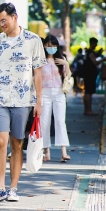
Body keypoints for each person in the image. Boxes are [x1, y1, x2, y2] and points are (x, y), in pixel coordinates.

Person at [0, 2, 46, 203]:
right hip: (0, 97)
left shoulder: (33, 40)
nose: (1, 24)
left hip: (23, 99)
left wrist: (39, 100)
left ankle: (13, 188)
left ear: (14, 17)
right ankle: (0, 187)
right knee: (0, 141)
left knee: (17, 143)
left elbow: (38, 72)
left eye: (4, 20)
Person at [40, 34, 71, 162]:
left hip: (59, 92)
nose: (50, 48)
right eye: (48, 45)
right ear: (44, 46)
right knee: (44, 122)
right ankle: (46, 151)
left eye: (53, 46)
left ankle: (64, 151)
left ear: (57, 47)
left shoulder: (61, 59)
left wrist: (66, 64)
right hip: (44, 93)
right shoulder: (40, 60)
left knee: (60, 121)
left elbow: (68, 76)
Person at [83, 38, 105, 115]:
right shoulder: (90, 53)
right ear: (92, 43)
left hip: (86, 74)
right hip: (90, 74)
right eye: (95, 43)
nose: (96, 45)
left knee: (87, 92)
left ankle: (86, 109)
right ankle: (89, 110)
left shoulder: (87, 52)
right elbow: (95, 62)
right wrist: (102, 59)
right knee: (89, 92)